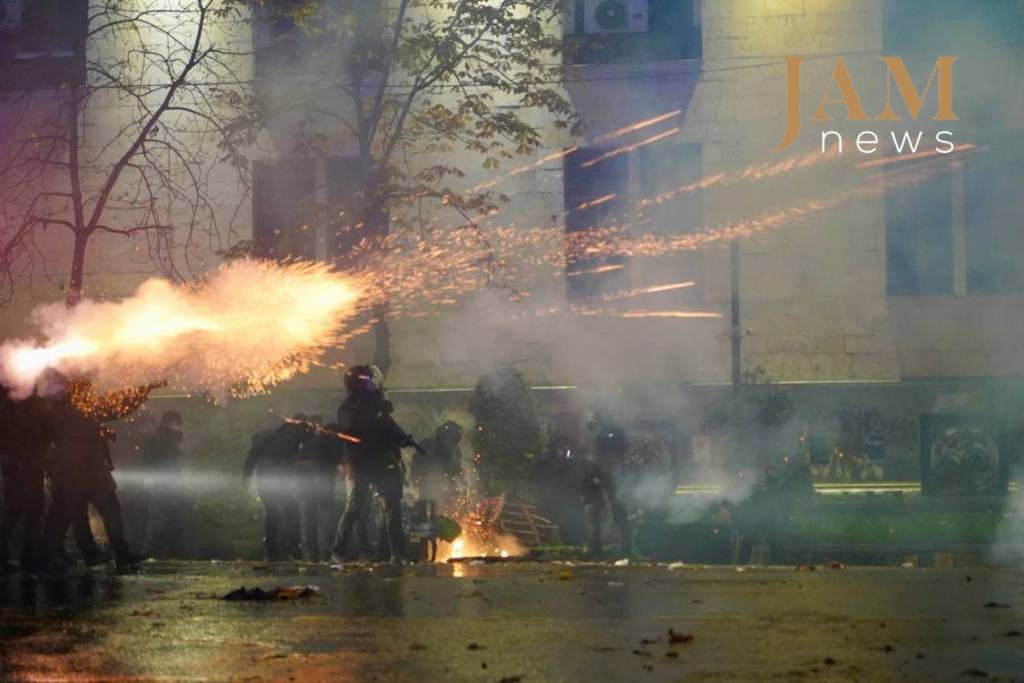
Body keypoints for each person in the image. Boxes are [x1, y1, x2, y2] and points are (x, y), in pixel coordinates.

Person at [41, 378, 155, 571]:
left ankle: (115, 553)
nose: (90, 393)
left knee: (105, 511)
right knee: (75, 514)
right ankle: (83, 554)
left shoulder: (81, 406)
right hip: (72, 472)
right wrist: (98, 432)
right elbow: (70, 433)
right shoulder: (61, 410)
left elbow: (116, 406)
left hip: (89, 470)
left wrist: (143, 391)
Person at [331, 365, 410, 565]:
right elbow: (355, 427)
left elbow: (389, 431)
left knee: (393, 505)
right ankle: (338, 553)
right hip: (358, 462)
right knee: (354, 508)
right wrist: (376, 411)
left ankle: (397, 554)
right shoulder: (349, 407)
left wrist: (402, 439)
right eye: (370, 380)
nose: (375, 384)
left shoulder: (375, 407)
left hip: (378, 461)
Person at [243, 415, 310, 561]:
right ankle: (290, 543)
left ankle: (274, 548)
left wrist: (247, 476)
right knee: (289, 509)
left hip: (266, 477)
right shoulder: (299, 435)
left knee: (274, 512)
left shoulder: (269, 437)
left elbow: (253, 455)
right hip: (277, 476)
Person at [0, 389, 51, 574]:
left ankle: (27, 555)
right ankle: (19, 555)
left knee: (32, 508)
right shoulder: (11, 402)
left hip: (28, 460)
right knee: (15, 509)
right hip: (18, 461)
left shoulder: (23, 401)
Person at [580, 398, 632, 560]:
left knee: (616, 512)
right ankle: (594, 549)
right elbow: (590, 453)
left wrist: (606, 472)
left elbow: (617, 452)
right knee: (591, 512)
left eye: (595, 411)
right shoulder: (594, 430)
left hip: (610, 478)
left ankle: (625, 548)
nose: (592, 415)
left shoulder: (614, 430)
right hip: (595, 476)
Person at [293, 415, 341, 562]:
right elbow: (336, 461)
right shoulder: (329, 440)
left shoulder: (304, 441)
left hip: (304, 482)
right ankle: (326, 551)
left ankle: (310, 552)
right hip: (321, 480)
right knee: (326, 516)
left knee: (308, 517)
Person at [140, 410, 186, 558]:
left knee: (161, 516)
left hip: (163, 482)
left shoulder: (161, 437)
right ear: (168, 423)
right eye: (176, 423)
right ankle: (153, 551)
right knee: (160, 516)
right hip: (163, 483)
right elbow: (162, 462)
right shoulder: (163, 439)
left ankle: (156, 551)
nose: (179, 426)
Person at [410, 420, 465, 509]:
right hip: (429, 481)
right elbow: (456, 469)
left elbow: (456, 470)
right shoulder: (429, 444)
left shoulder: (427, 443)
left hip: (430, 483)